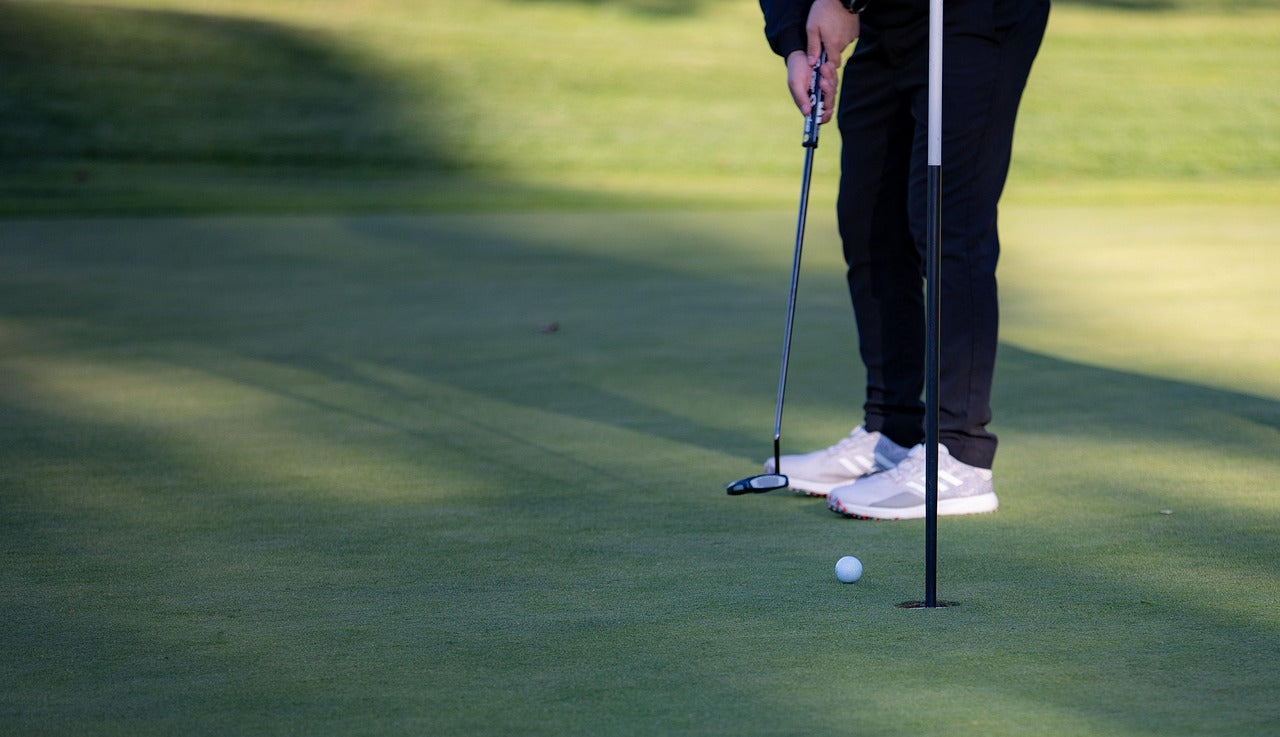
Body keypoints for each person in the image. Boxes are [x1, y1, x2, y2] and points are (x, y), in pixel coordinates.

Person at [757, 0, 1050, 519]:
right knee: (868, 215)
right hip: (888, 18)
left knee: (945, 219)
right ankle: (891, 431)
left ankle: (960, 456)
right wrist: (795, 43)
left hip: (971, 14)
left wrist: (842, 1)